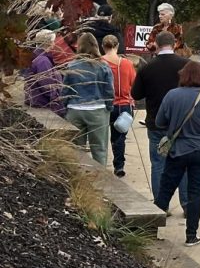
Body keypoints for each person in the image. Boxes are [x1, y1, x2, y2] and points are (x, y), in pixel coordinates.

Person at [154, 61, 200, 247]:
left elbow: (160, 122)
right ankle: (191, 235)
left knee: (165, 190)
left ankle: (150, 229)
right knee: (195, 193)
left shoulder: (172, 95)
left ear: (183, 76)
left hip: (177, 150)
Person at [132, 31, 191, 205]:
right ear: (174, 44)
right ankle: (186, 203)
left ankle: (160, 203)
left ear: (156, 45)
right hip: (181, 123)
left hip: (157, 123)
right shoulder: (186, 66)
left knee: (158, 164)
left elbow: (136, 94)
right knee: (182, 164)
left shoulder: (147, 68)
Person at [62, 32, 114, 166]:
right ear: (96, 46)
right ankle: (100, 181)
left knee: (76, 150)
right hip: (97, 110)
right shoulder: (103, 66)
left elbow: (66, 90)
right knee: (99, 149)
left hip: (75, 109)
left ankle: (79, 180)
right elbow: (109, 90)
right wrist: (109, 107)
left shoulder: (72, 65)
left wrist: (65, 106)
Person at [101, 35, 136, 177]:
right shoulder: (127, 63)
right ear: (117, 46)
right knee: (120, 137)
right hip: (124, 105)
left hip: (105, 105)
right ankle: (119, 165)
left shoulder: (100, 63)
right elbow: (134, 83)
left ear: (103, 46)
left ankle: (100, 163)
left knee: (101, 137)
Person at [23, 30, 65, 116]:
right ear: (49, 43)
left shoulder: (34, 56)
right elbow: (47, 86)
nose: (54, 44)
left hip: (37, 99)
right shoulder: (43, 61)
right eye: (53, 41)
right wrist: (59, 104)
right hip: (43, 102)